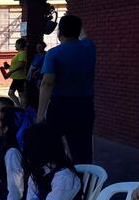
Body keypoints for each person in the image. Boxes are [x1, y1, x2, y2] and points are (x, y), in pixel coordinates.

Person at [37, 14, 96, 164]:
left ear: (59, 32)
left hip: (60, 106)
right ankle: (85, 183)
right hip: (85, 106)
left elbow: (47, 84)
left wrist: (40, 115)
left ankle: (59, 179)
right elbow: (84, 35)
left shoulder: (54, 53)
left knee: (52, 147)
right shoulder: (90, 47)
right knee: (83, 150)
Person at [0, 38, 27, 107]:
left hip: (19, 77)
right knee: (19, 93)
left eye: (16, 44)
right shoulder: (20, 53)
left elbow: (21, 65)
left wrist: (10, 71)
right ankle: (20, 107)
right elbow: (17, 65)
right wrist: (9, 67)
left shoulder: (22, 53)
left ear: (20, 44)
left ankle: (21, 107)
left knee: (16, 93)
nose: (15, 46)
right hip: (17, 77)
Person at [25, 41, 47, 109]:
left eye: (40, 47)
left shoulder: (46, 55)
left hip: (41, 75)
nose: (38, 48)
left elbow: (45, 65)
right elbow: (32, 64)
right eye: (37, 47)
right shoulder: (36, 55)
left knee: (40, 89)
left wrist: (37, 71)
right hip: (33, 75)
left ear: (43, 47)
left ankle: (43, 104)